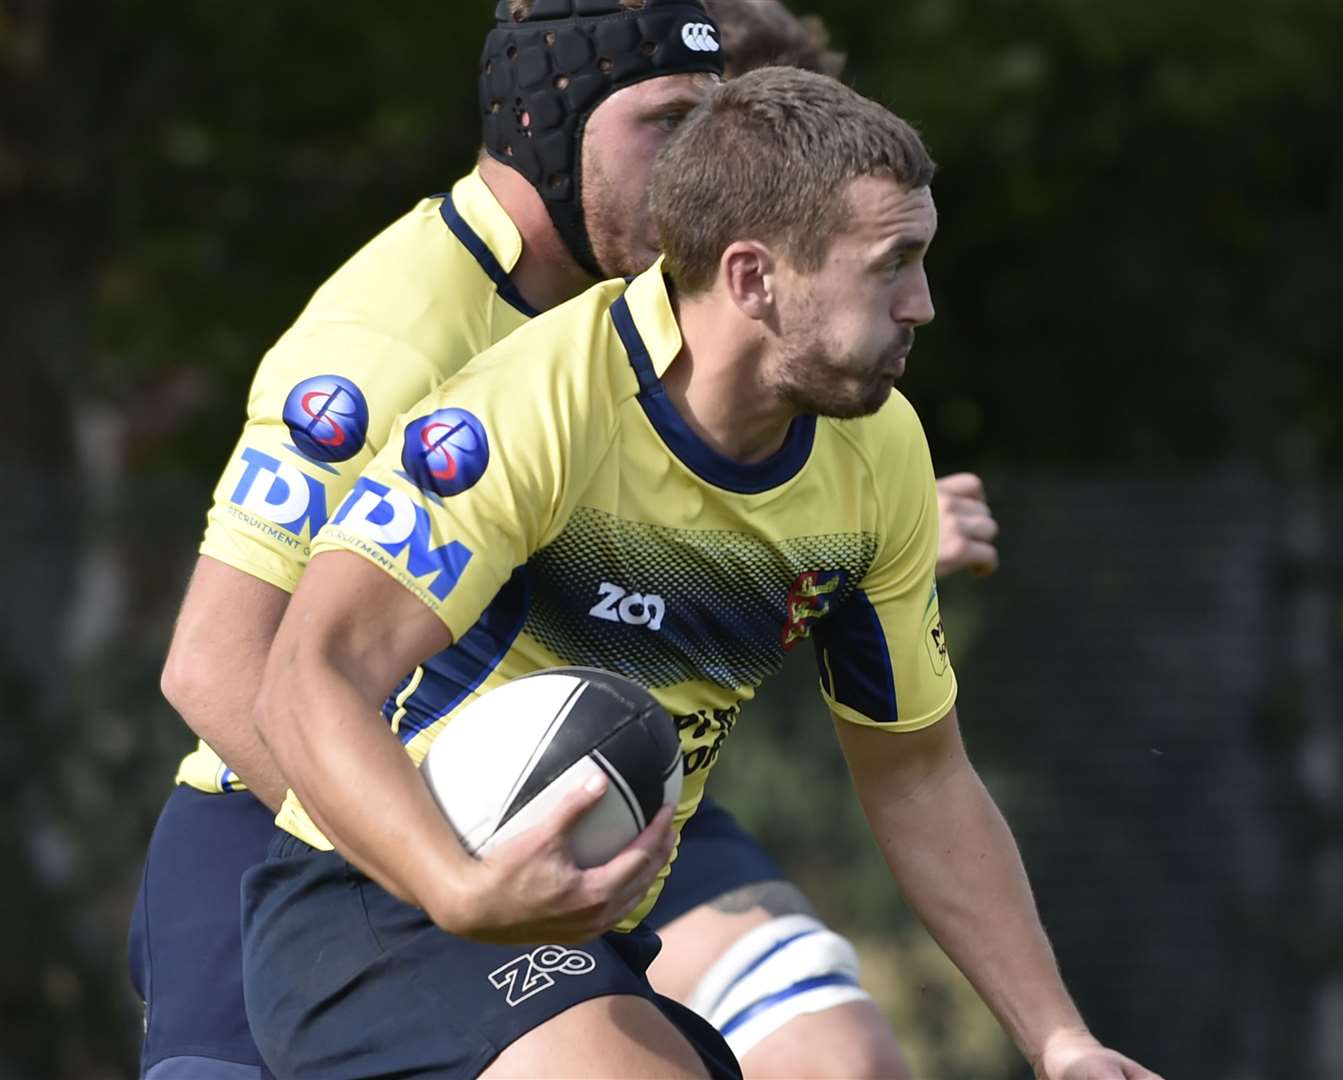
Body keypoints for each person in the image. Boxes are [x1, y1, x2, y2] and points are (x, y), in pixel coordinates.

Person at [128, 1, 997, 1077]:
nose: (699, 162)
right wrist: (437, 867)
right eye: (669, 124)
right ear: (554, 128)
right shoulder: (393, 343)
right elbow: (221, 665)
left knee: (836, 1051)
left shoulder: (675, 313)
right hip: (295, 828)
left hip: (567, 787)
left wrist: (829, 563)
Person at [240, 65, 1160, 1080]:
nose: (923, 305)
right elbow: (304, 675)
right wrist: (458, 887)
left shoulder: (877, 453)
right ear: (753, 276)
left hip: (582, 939)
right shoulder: (534, 409)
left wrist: (1060, 1040)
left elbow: (919, 774)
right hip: (378, 909)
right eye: (891, 264)